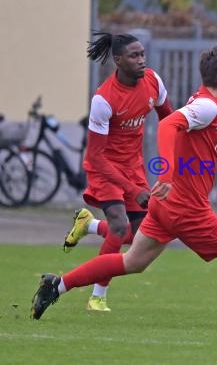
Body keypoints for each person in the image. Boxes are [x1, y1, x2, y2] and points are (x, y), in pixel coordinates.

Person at [31, 45, 217, 327]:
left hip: (166, 207)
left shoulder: (216, 108)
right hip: (187, 210)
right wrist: (168, 174)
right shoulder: (208, 107)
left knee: (132, 261)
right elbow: (168, 124)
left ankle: (57, 286)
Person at [60, 31, 175, 312]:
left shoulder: (153, 81)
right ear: (118, 60)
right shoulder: (104, 99)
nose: (141, 61)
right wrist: (134, 190)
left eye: (143, 54)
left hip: (133, 166)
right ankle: (98, 296)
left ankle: (88, 225)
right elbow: (96, 157)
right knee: (119, 226)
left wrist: (173, 160)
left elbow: (169, 120)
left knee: (138, 239)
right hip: (105, 169)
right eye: (134, 56)